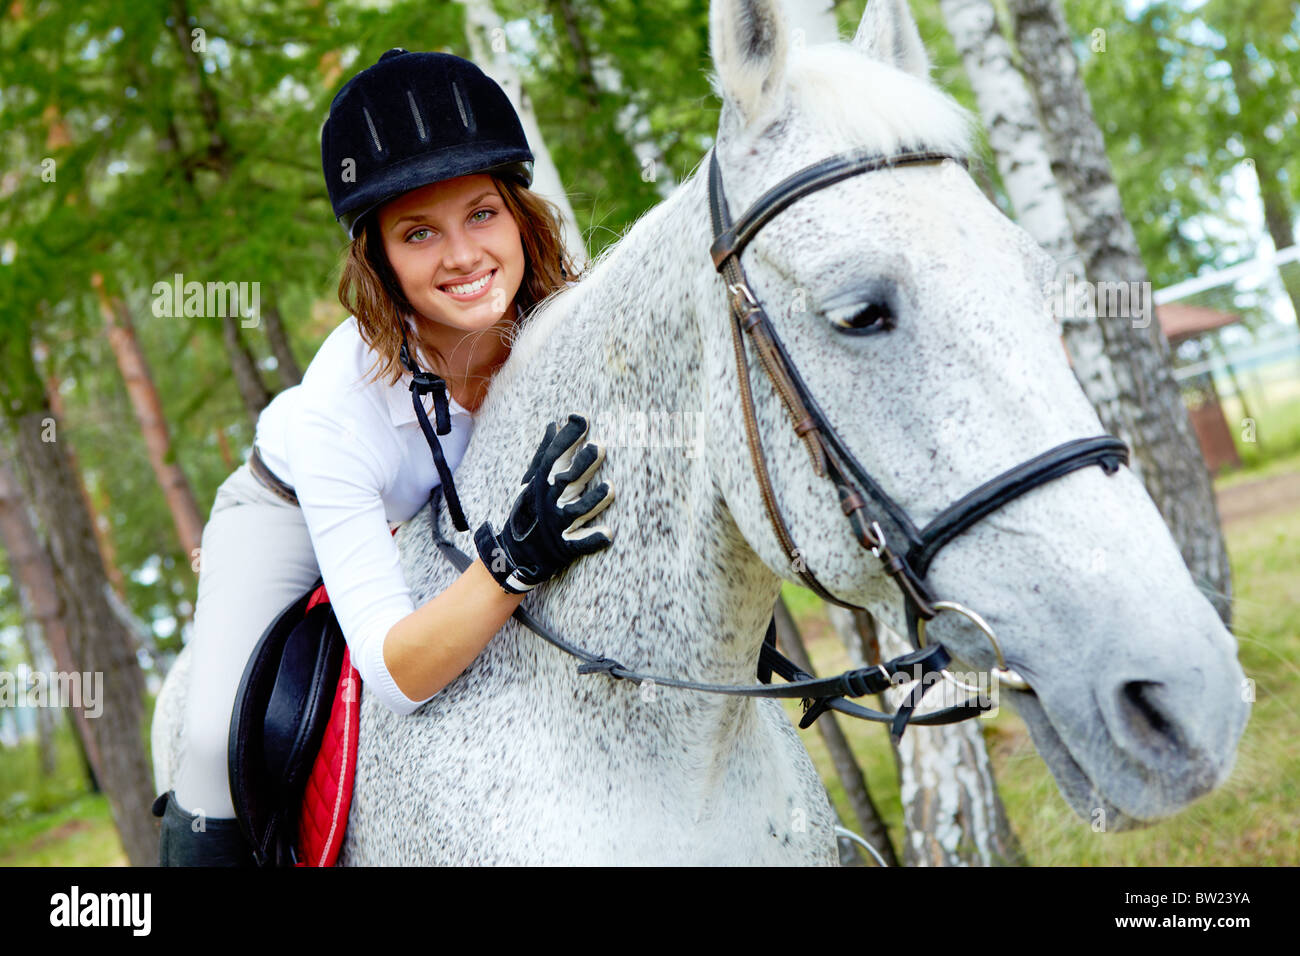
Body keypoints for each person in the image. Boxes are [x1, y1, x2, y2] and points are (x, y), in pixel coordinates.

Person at [155, 49, 616, 865]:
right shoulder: (340, 408)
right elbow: (394, 676)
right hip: (287, 510)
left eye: (481, 214)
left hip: (443, 514)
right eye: (418, 233)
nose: (463, 255)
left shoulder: (562, 321)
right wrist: (512, 564)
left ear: (519, 217)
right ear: (380, 262)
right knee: (208, 745)